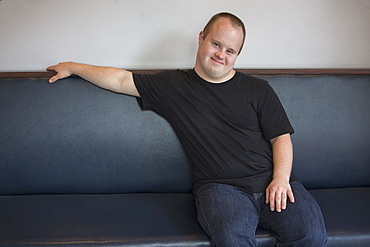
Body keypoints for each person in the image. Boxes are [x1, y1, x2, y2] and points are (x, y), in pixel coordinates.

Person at [47, 12, 327, 247]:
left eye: (230, 51)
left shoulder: (258, 89)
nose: (221, 55)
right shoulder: (173, 86)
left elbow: (280, 137)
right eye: (216, 44)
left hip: (273, 182)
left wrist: (280, 179)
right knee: (231, 239)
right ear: (201, 37)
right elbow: (121, 80)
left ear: (237, 55)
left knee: (312, 236)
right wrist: (73, 66)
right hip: (221, 189)